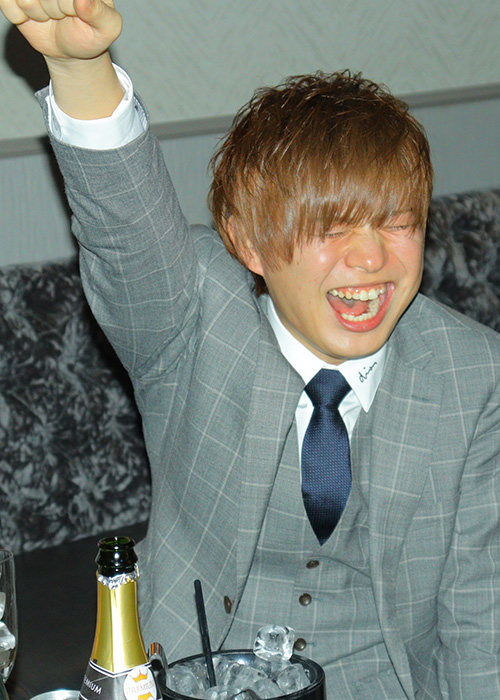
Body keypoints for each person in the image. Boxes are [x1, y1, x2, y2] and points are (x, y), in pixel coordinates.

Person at [2, 1, 500, 698]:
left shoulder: (473, 373)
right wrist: (79, 65)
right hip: (193, 681)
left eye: (398, 222)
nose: (370, 259)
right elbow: (125, 229)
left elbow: (481, 621)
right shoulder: (194, 318)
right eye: (332, 226)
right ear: (248, 243)